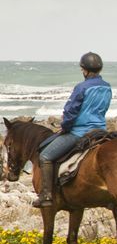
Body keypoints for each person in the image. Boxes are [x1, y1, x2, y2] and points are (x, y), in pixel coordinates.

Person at [33, 52, 112, 208]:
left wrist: (65, 127)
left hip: (80, 132)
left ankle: (46, 195)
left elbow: (71, 111)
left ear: (85, 70)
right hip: (101, 131)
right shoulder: (107, 87)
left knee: (45, 156)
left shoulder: (81, 87)